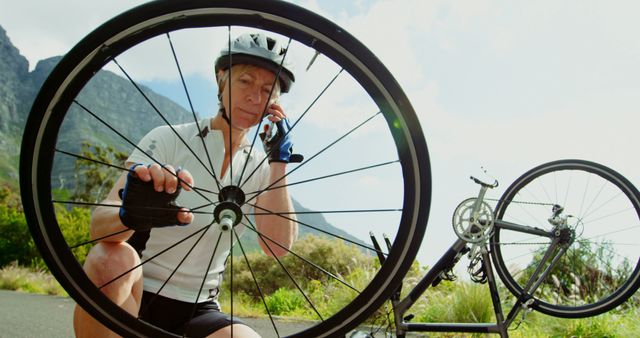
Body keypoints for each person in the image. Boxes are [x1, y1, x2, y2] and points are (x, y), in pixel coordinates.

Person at [73, 32, 302, 338]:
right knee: (110, 257)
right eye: (245, 81)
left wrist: (278, 161)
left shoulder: (262, 169)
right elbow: (98, 227)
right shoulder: (168, 138)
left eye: (267, 90)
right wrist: (132, 214)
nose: (255, 97)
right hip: (134, 289)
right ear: (222, 79)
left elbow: (277, 248)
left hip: (199, 308)